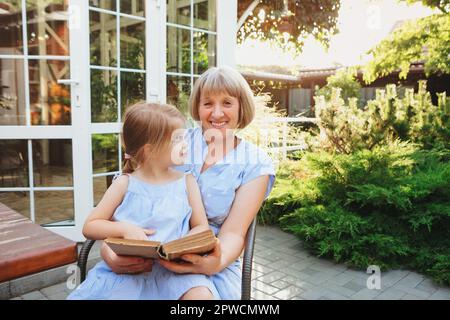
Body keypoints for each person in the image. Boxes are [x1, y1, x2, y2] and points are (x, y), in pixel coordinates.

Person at [99, 66, 276, 299]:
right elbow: (129, 197)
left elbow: (233, 233)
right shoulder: (173, 138)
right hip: (149, 249)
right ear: (198, 107)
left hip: (212, 255)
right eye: (208, 103)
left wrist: (215, 262)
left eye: (227, 103)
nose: (217, 113)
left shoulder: (255, 163)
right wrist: (108, 251)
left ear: (241, 106)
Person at [68, 102, 218, 300]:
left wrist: (184, 244)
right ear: (150, 150)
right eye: (178, 139)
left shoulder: (187, 181)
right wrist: (124, 229)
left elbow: (201, 226)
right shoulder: (124, 183)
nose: (185, 144)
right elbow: (90, 226)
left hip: (175, 273)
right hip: (130, 273)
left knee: (201, 296)